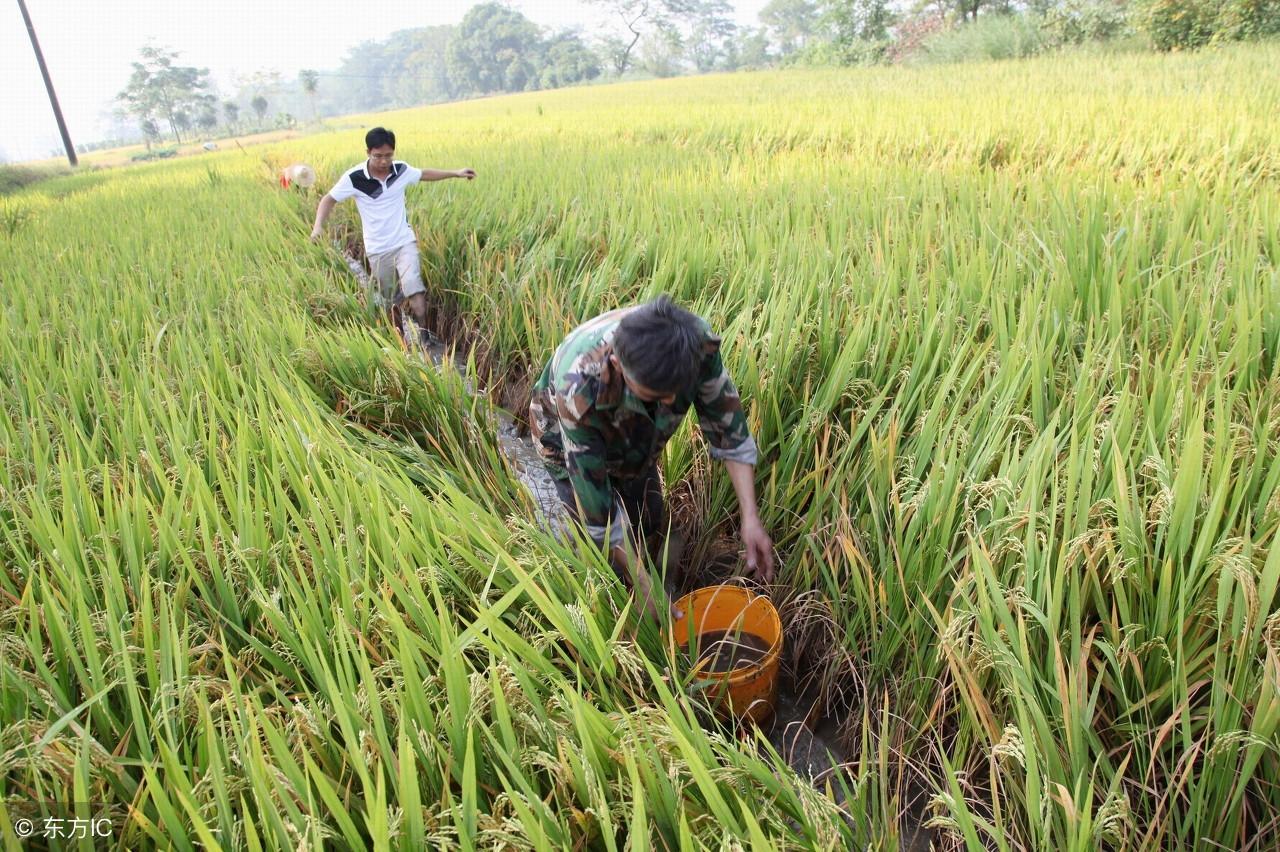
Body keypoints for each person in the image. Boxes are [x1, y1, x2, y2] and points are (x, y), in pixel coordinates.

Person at [529, 295, 775, 621]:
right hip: (564, 440)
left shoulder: (693, 345)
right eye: (658, 396)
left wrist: (750, 517)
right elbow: (600, 518)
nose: (673, 403)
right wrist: (644, 589)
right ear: (618, 365)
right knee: (608, 554)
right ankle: (622, 610)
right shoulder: (579, 389)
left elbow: (730, 431)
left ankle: (654, 570)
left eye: (677, 393)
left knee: (646, 514)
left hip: (636, 432)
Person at [310, 126, 475, 345]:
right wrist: (318, 226)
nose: (384, 161)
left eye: (388, 155)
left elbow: (424, 174)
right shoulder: (355, 178)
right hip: (377, 249)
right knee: (390, 300)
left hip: (403, 242)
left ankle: (425, 335)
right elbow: (328, 199)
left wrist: (455, 173)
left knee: (414, 287)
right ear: (368, 152)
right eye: (378, 156)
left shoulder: (401, 170)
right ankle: (401, 339)